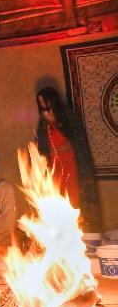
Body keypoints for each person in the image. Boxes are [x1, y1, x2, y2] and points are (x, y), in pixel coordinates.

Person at [35, 87, 102, 230]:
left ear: (52, 100)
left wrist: (55, 121)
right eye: (39, 101)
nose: (42, 104)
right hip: (55, 166)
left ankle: (83, 228)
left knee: (77, 195)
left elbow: (76, 139)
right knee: (58, 195)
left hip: (72, 162)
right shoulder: (43, 122)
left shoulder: (67, 116)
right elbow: (41, 145)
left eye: (44, 100)